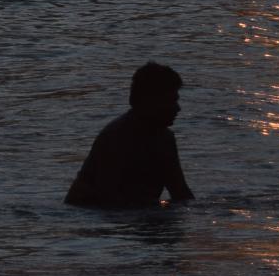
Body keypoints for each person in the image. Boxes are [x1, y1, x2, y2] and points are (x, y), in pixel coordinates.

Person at [65, 62, 195, 208]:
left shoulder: (165, 139)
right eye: (171, 101)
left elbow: (180, 192)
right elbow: (107, 197)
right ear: (150, 101)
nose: (177, 108)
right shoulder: (117, 137)